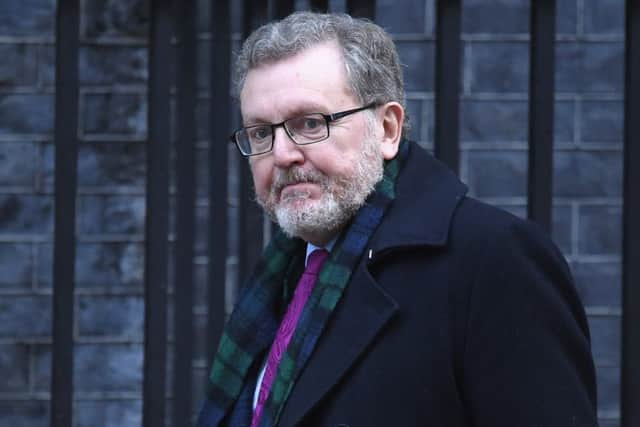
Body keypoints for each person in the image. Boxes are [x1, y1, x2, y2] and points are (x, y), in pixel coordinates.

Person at [198, 11, 597, 427]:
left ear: (387, 128)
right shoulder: (283, 273)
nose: (282, 154)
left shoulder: (494, 260)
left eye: (311, 123)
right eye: (262, 132)